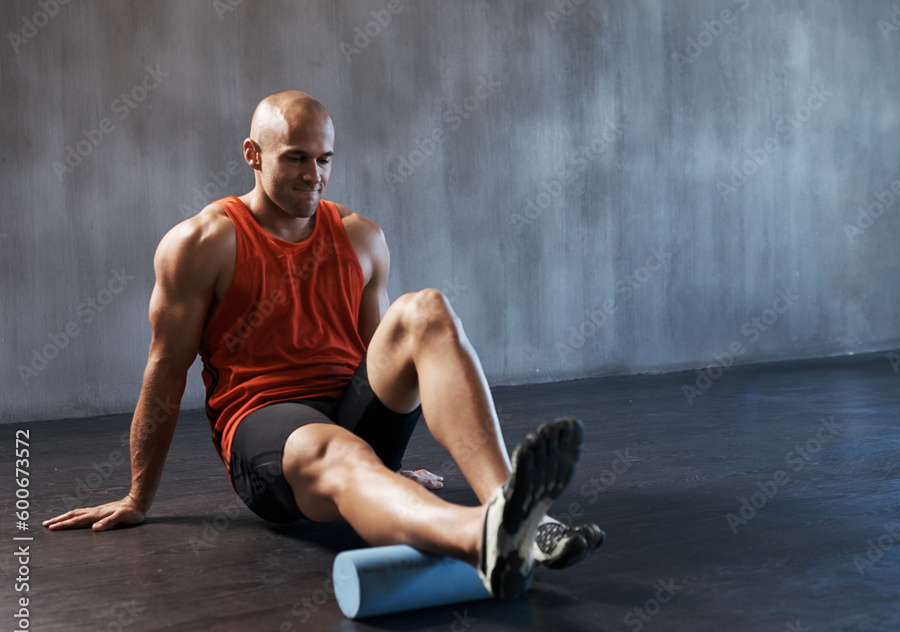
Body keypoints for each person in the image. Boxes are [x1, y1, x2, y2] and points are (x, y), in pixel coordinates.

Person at [44, 90, 603, 598]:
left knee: (425, 309)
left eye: (324, 159)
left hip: (350, 420)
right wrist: (137, 497)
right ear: (253, 154)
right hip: (270, 433)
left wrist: (389, 473)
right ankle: (482, 537)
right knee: (339, 449)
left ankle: (514, 510)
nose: (314, 175)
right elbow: (165, 370)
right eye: (295, 157)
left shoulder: (361, 237)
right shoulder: (202, 242)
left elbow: (383, 362)